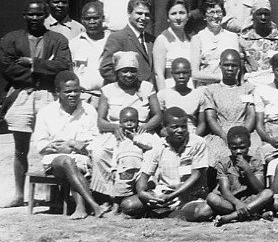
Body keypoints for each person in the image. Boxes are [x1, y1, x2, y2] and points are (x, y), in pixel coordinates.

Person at [0, 0, 72, 207]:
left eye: (39, 14)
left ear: (45, 15)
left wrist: (32, 65)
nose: (34, 18)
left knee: (54, 144)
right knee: (20, 148)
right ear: (24, 15)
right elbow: (8, 69)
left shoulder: (57, 39)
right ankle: (19, 195)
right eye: (30, 14)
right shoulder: (10, 39)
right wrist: (44, 70)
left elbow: (63, 65)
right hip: (21, 96)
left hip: (48, 96)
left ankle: (57, 196)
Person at [32, 71, 109, 219]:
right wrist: (58, 147)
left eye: (76, 90)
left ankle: (81, 207)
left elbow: (96, 139)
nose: (73, 94)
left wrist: (79, 145)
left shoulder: (89, 110)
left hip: (81, 159)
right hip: (54, 161)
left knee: (74, 163)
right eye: (68, 91)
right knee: (67, 161)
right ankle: (94, 205)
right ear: (57, 93)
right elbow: (40, 145)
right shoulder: (46, 112)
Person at [90, 51, 164, 199]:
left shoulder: (147, 88)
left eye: (133, 71)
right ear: (117, 72)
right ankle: (109, 195)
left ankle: (143, 190)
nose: (129, 75)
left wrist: (147, 126)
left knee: (156, 150)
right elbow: (101, 121)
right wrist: (115, 127)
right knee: (99, 153)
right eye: (124, 71)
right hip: (115, 134)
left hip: (142, 132)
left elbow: (158, 115)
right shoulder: (108, 90)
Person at [119, 107, 214, 221]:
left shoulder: (198, 143)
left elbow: (196, 175)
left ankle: (171, 214)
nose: (180, 130)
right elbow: (143, 177)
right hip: (164, 194)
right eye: (174, 127)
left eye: (183, 126)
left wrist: (171, 197)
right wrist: (143, 194)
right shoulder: (158, 146)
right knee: (127, 205)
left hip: (190, 197)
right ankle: (170, 212)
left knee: (204, 211)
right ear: (165, 128)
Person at [206, 126, 274, 226]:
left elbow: (259, 189)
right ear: (228, 146)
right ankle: (253, 214)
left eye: (242, 147)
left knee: (268, 193)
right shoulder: (223, 163)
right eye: (234, 148)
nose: (238, 151)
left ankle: (229, 217)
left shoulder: (256, 162)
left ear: (249, 144)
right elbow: (225, 190)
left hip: (250, 200)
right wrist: (237, 203)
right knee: (211, 197)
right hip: (231, 202)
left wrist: (248, 170)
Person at [201, 49, 258, 164]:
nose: (230, 69)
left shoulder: (248, 89)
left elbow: (251, 115)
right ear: (220, 65)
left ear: (239, 67)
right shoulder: (211, 90)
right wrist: (224, 136)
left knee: (254, 152)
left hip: (244, 132)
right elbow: (211, 118)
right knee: (217, 154)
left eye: (234, 65)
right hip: (221, 133)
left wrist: (242, 135)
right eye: (226, 65)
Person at [100, 0, 156, 84]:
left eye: (147, 14)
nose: (143, 18)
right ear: (129, 13)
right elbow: (106, 69)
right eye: (139, 13)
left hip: (150, 93)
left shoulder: (152, 40)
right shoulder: (117, 38)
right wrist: (128, 85)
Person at [189, 0, 241, 88]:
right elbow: (194, 74)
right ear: (204, 16)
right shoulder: (197, 39)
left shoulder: (232, 37)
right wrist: (220, 77)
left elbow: (237, 69)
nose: (216, 16)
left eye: (219, 12)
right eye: (211, 12)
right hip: (205, 89)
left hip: (229, 88)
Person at [238, 0, 278, 88]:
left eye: (266, 14)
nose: (263, 17)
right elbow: (241, 66)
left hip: (274, 83)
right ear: (253, 15)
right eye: (259, 14)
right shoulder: (244, 38)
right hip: (251, 83)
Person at [69, 2, 109, 96]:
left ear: (102, 18)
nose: (92, 22)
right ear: (82, 20)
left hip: (107, 95)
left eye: (95, 18)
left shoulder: (112, 40)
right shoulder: (74, 43)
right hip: (83, 96)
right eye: (87, 19)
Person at [156, 58, 205, 134]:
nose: (181, 76)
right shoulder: (163, 95)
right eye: (177, 73)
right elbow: (159, 123)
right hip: (170, 134)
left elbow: (202, 123)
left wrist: (194, 137)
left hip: (191, 133)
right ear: (172, 74)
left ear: (190, 73)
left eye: (185, 73)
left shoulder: (198, 94)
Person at [153, 0, 192, 90]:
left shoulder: (191, 40)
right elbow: (159, 75)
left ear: (187, 16)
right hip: (170, 91)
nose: (178, 17)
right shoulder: (162, 40)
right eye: (173, 14)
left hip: (191, 90)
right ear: (168, 18)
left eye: (182, 13)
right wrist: (164, 98)